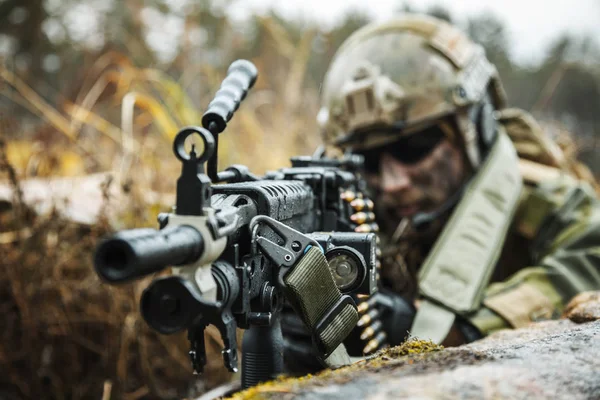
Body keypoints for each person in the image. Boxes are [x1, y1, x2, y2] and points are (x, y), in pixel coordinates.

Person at [282, 13, 600, 372]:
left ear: (472, 130)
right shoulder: (358, 208)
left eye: (415, 147)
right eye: (367, 159)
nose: (392, 182)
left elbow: (589, 259)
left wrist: (462, 329)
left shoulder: (545, 201)